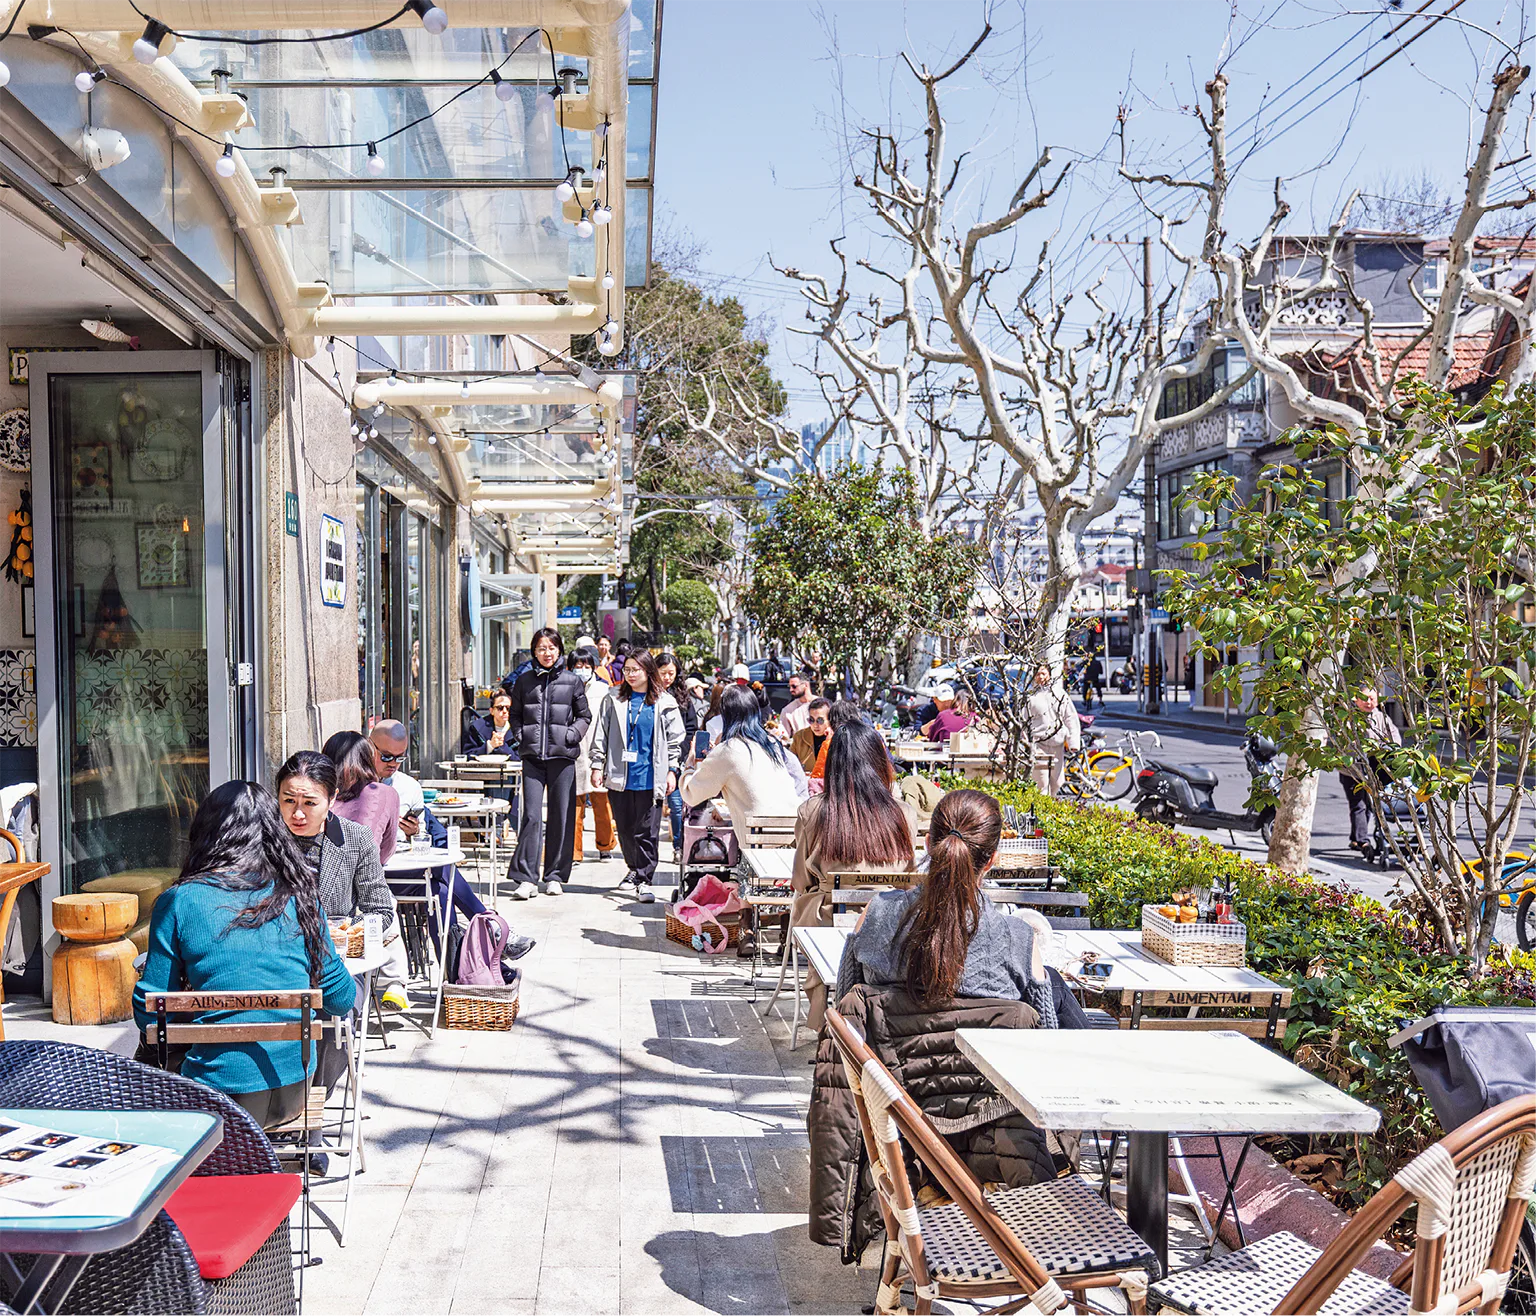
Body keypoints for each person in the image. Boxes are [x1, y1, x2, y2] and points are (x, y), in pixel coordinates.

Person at [133, 781, 357, 1128]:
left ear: (205, 833)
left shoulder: (179, 901)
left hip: (213, 1096)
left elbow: (151, 1016)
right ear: (276, 834)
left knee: (151, 1053)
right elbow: (341, 999)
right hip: (293, 1092)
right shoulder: (302, 897)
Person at [835, 789, 1056, 1023]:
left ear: (929, 845)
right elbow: (1045, 1040)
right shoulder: (1019, 939)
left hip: (883, 1060)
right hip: (977, 1061)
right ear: (992, 860)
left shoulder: (877, 914)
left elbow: (844, 1019)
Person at [365, 727, 534, 958]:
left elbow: (423, 837)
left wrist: (414, 833)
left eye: (400, 757)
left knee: (441, 890)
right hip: (371, 878)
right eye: (386, 756)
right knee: (442, 879)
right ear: (369, 747)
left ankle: (455, 979)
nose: (393, 763)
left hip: (403, 870)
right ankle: (490, 926)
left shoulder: (408, 786)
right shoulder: (356, 785)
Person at [793, 721, 918, 1029]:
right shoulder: (904, 814)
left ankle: (825, 1016)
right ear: (879, 762)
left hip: (827, 926)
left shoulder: (813, 811)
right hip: (890, 925)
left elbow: (800, 881)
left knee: (803, 904)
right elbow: (910, 877)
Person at [273, 751, 409, 1013]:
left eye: (310, 803)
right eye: (288, 800)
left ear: (332, 798)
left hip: (337, 962)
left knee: (335, 1013)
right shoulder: (266, 838)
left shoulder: (355, 838)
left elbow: (380, 909)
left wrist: (343, 929)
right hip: (277, 961)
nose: (297, 813)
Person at [590, 648, 686, 901]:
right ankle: (633, 868)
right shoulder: (613, 699)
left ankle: (644, 879)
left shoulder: (664, 702)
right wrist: (597, 764)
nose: (630, 675)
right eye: (627, 670)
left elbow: (676, 741)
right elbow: (600, 733)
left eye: (636, 670)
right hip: (620, 775)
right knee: (624, 828)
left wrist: (672, 771)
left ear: (648, 671)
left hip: (650, 776)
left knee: (647, 830)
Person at [504, 626, 592, 898]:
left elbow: (584, 716)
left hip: (562, 758)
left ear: (559, 650)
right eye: (541, 648)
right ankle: (526, 878)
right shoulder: (524, 680)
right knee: (530, 815)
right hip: (532, 757)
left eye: (551, 648)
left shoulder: (572, 681)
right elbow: (515, 715)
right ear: (534, 651)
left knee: (561, 816)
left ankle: (554, 875)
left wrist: (571, 734)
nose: (547, 653)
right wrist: (521, 736)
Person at [681, 685, 805, 853]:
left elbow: (691, 795)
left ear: (726, 714)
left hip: (760, 841)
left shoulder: (728, 750)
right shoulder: (771, 743)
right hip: (797, 832)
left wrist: (690, 762)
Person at [321, 731, 399, 864]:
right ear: (369, 760)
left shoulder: (317, 791)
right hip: (362, 875)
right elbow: (385, 852)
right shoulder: (385, 793)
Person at [1341, 685, 1402, 851]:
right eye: (1365, 698)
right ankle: (1362, 841)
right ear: (1357, 700)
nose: (1369, 702)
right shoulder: (1349, 718)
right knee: (1358, 804)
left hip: (1373, 770)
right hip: (1352, 770)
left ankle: (1355, 838)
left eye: (1372, 699)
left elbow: (1395, 737)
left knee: (1369, 806)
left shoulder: (1382, 718)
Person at [571, 646, 617, 863]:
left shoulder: (603, 690)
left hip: (599, 752)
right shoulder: (565, 687)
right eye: (578, 666)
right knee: (574, 807)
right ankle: (574, 852)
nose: (582, 669)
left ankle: (605, 845)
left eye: (587, 665)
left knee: (602, 804)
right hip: (574, 753)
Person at [654, 652, 696, 858]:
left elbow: (691, 728)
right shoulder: (648, 695)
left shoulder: (683, 697)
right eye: (663, 673)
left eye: (672, 673)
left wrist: (683, 752)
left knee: (677, 805)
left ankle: (679, 846)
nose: (667, 678)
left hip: (677, 759)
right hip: (652, 759)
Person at [1025, 665, 1081, 798]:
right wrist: (1025, 742)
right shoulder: (1030, 697)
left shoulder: (1060, 694)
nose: (1041, 677)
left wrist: (1073, 742)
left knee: (1057, 782)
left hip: (1057, 744)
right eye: (1038, 674)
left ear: (1049, 674)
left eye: (1044, 673)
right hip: (1038, 745)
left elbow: (1071, 718)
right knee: (1042, 782)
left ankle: (1051, 807)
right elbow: (1022, 721)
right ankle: (1042, 812)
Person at [461, 689, 518, 758]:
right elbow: (467, 755)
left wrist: (502, 746)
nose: (505, 711)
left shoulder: (518, 729)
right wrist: (489, 746)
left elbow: (520, 758)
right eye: (500, 708)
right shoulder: (477, 728)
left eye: (508, 708)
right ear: (491, 711)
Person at [789, 698, 833, 777]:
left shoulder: (837, 738)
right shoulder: (799, 737)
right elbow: (790, 765)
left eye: (820, 720)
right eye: (811, 720)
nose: (815, 725)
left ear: (829, 719)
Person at [779, 671, 815, 738]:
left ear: (805, 685)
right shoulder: (787, 711)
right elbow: (783, 737)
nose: (791, 689)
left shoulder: (822, 704)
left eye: (794, 686)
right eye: (789, 686)